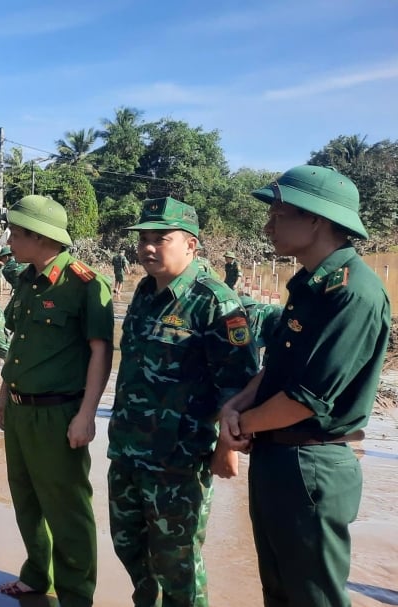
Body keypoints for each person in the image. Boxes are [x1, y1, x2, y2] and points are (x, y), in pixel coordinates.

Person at [219, 166, 390, 607]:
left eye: (279, 213)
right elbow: (277, 370)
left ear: (316, 219)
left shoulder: (351, 294)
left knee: (314, 597)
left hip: (310, 462)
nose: (267, 225)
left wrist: (244, 424)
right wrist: (235, 407)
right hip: (279, 457)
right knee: (279, 591)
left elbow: (305, 399)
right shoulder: (309, 286)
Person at [108, 196, 258, 607]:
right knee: (130, 550)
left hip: (178, 459)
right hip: (127, 450)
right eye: (143, 239)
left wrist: (227, 448)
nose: (148, 247)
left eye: (161, 238)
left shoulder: (215, 302)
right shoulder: (143, 291)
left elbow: (239, 386)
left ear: (191, 245)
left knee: (177, 564)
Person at [0, 195, 114, 606]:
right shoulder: (27, 279)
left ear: (39, 236)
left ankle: (76, 595)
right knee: (25, 497)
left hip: (59, 413)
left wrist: (86, 415)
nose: (10, 238)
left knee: (67, 509)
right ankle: (36, 574)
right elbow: (18, 345)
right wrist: (3, 394)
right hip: (21, 410)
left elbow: (100, 351)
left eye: (15, 231)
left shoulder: (83, 284)